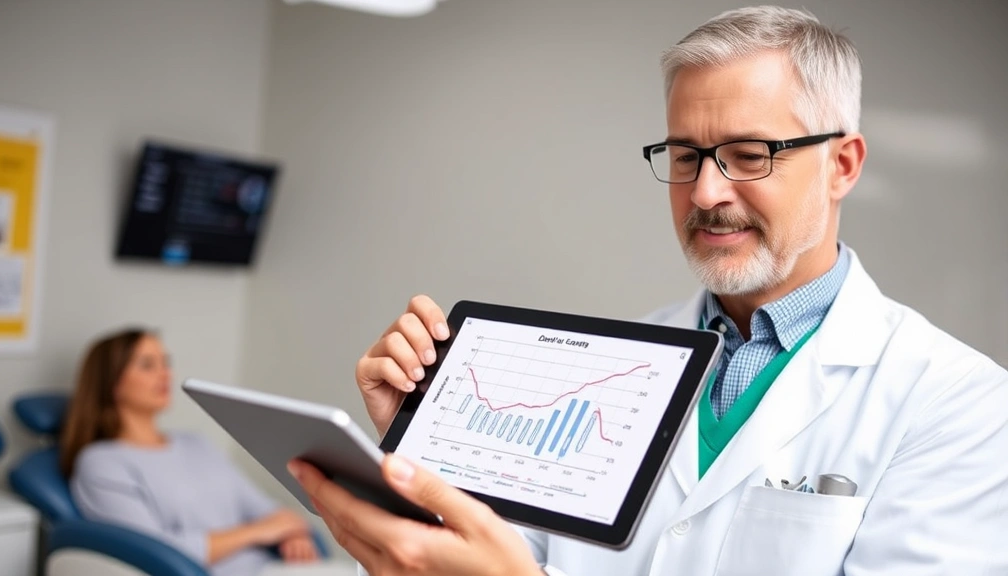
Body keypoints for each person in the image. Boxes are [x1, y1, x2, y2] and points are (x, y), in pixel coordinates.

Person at [285, 5, 1008, 576]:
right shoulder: (613, 368)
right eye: (687, 155)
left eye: (749, 155)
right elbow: (504, 556)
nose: (707, 192)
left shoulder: (958, 405)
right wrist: (427, 449)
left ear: (842, 165)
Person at [63, 328, 330, 576]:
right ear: (111, 381)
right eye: (147, 365)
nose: (165, 374)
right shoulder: (101, 462)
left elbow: (274, 513)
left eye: (166, 363)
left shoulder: (196, 444)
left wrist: (294, 535)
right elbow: (154, 553)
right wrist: (259, 532)